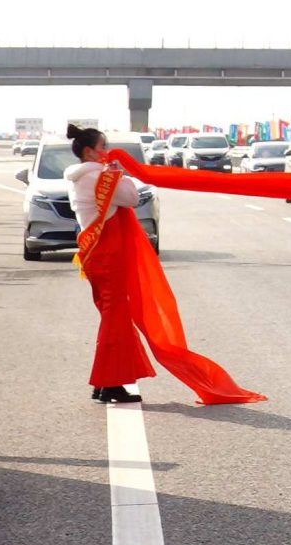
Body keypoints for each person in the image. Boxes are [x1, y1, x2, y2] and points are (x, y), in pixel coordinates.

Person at [66, 123, 266, 408]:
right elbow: (131, 198)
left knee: (114, 316)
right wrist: (118, 173)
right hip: (108, 255)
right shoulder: (98, 177)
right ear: (89, 152)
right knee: (115, 317)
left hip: (96, 255)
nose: (108, 151)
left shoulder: (79, 177)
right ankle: (109, 383)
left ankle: (106, 382)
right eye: (103, 147)